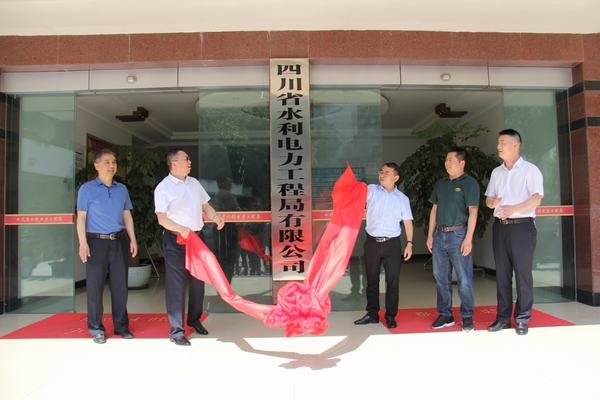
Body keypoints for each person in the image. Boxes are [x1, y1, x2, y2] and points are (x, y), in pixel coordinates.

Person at [154, 149, 225, 346]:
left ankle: (194, 319)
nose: (189, 162)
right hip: (176, 241)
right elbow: (162, 219)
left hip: (197, 240)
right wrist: (181, 229)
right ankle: (176, 331)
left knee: (198, 283)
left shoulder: (194, 183)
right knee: (176, 286)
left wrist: (215, 216)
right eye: (186, 159)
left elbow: (206, 206)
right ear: (174, 163)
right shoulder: (163, 188)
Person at [485, 129, 543, 335]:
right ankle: (502, 318)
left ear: (515, 145)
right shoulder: (496, 172)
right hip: (500, 227)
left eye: (502, 142)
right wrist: (492, 202)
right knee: (502, 275)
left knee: (522, 274)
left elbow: (537, 199)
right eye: (498, 142)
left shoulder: (530, 170)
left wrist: (513, 209)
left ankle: (522, 318)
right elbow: (488, 199)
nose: (498, 146)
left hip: (522, 227)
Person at [76, 149, 138, 344]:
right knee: (94, 287)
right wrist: (82, 243)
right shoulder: (86, 189)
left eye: (114, 162)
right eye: (107, 162)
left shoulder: (122, 189)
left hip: (119, 241)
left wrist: (133, 239)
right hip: (96, 243)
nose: (112, 165)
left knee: (120, 286)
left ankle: (121, 326)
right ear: (96, 165)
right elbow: (81, 218)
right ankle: (96, 329)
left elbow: (127, 215)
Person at [354, 162, 414, 329]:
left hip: (392, 244)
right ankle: (372, 314)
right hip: (372, 242)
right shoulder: (371, 190)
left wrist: (409, 244)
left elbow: (408, 222)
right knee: (371, 280)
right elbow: (356, 199)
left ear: (396, 177)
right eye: (381, 171)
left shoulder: (402, 199)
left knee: (392, 281)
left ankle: (391, 316)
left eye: (387, 172)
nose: (382, 174)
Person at [426, 147, 479, 332]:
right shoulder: (440, 184)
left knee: (464, 278)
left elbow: (473, 211)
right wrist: (430, 235)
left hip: (459, 235)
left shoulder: (470, 183)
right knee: (441, 277)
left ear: (462, 163)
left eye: (451, 160)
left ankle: (467, 316)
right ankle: (445, 314)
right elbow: (434, 210)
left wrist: (468, 238)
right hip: (439, 235)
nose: (447, 163)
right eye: (446, 160)